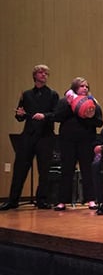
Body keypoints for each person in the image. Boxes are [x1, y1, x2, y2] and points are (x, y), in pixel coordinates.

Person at [0, 64, 59, 211]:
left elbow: (57, 115)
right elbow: (20, 115)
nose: (44, 75)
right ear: (35, 76)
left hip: (45, 136)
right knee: (20, 168)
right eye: (41, 72)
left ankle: (42, 200)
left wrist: (44, 115)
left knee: (44, 170)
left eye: (46, 73)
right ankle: (13, 200)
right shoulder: (26, 94)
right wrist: (19, 115)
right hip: (28, 135)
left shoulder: (53, 94)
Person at [52, 77, 103, 211]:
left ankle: (91, 200)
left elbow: (99, 122)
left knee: (87, 171)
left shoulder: (93, 102)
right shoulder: (64, 101)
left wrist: (87, 116)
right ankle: (62, 201)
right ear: (75, 88)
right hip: (67, 141)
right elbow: (57, 117)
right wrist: (72, 105)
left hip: (86, 141)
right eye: (82, 86)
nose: (85, 88)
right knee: (67, 171)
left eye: (86, 86)